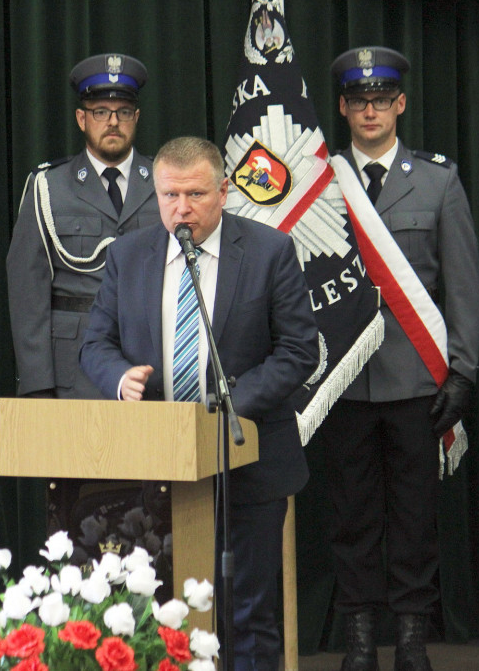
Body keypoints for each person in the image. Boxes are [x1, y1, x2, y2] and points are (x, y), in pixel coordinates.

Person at [80, 136, 319, 671]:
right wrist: (120, 378)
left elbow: (300, 349)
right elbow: (94, 344)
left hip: (248, 457)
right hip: (153, 465)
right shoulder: (127, 256)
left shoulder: (268, 251)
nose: (181, 209)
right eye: (169, 196)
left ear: (224, 191)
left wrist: (229, 403)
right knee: (158, 609)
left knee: (248, 610)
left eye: (194, 195)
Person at [320, 47, 479, 671]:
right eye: (359, 101)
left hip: (418, 376)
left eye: (381, 100)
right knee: (352, 515)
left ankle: (412, 637)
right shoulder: (320, 185)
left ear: (401, 104)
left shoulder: (438, 180)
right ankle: (360, 638)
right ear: (342, 107)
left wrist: (463, 370)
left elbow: (463, 286)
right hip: (344, 379)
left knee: (416, 515)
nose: (370, 111)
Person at [6, 52, 159, 400]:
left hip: (151, 364)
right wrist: (36, 384)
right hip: (72, 371)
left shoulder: (164, 185)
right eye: (101, 112)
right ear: (81, 118)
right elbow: (27, 293)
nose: (113, 122)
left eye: (122, 112)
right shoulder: (48, 187)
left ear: (136, 117)